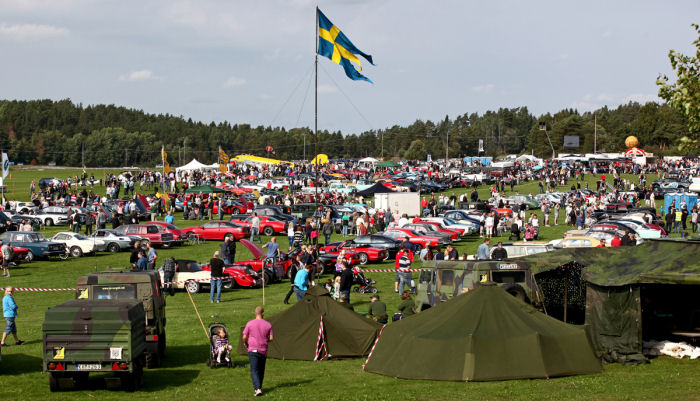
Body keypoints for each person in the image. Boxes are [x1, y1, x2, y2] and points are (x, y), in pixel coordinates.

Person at [242, 306, 273, 397]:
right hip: (263, 350)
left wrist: (246, 343)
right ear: (263, 313)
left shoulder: (250, 323)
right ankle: (259, 387)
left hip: (253, 349)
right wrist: (265, 340)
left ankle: (257, 388)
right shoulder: (268, 324)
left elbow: (244, 336)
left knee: (254, 370)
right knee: (261, 370)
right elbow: (271, 338)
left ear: (255, 313)